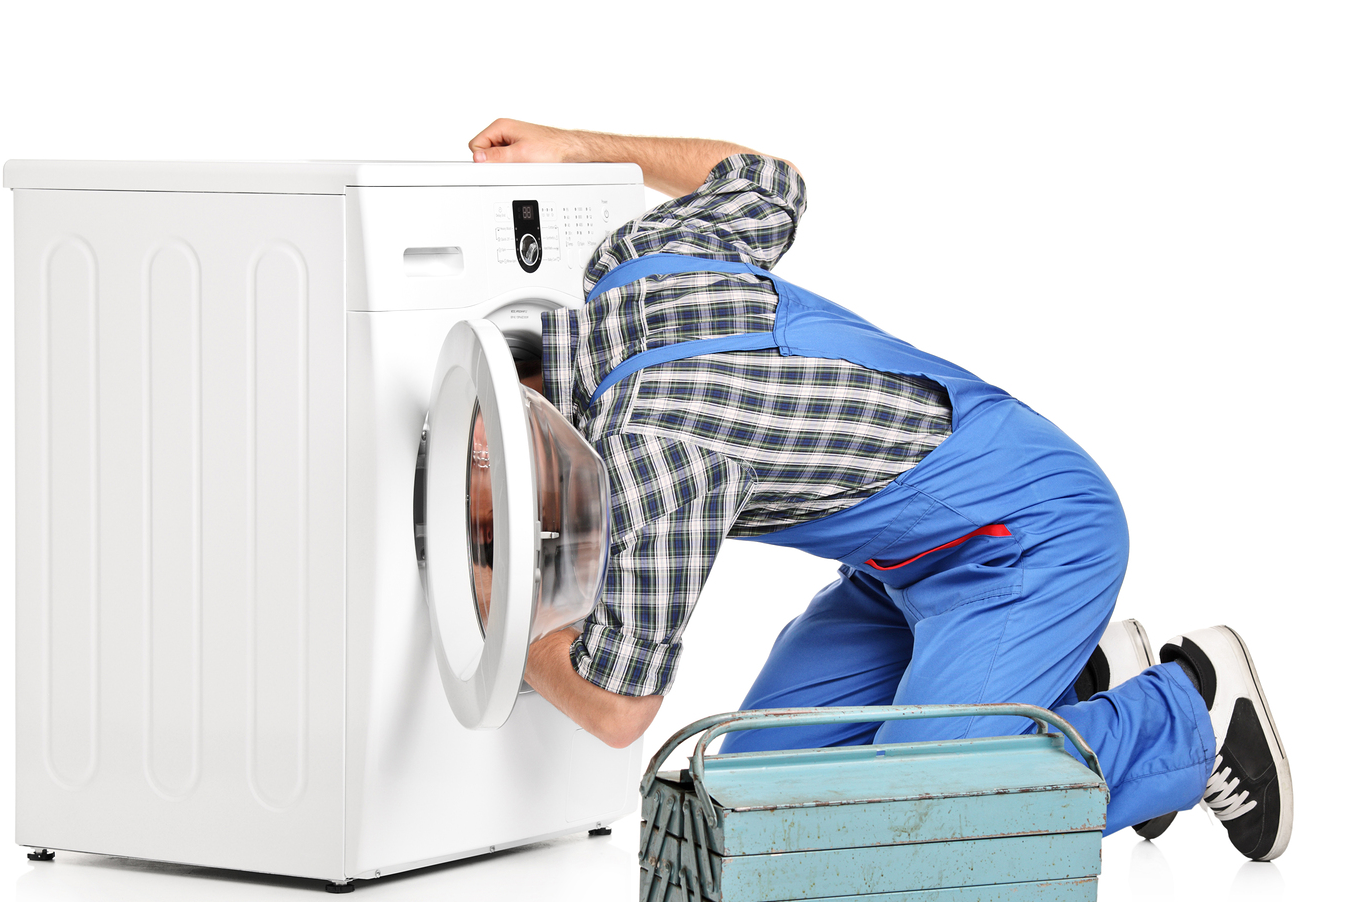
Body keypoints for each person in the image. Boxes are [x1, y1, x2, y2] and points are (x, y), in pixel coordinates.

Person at [468, 118, 1293, 861]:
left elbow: (619, 709)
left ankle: (1189, 711)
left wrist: (500, 618)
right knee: (750, 802)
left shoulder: (652, 462)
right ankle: (1073, 684)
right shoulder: (629, 266)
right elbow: (766, 173)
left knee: (922, 818)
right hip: (902, 564)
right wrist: (578, 148)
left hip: (1032, 536)